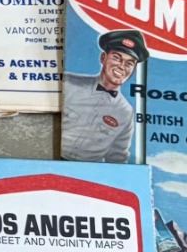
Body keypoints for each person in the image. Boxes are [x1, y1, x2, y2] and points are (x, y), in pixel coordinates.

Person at [60, 29, 146, 163]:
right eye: (116, 58)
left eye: (129, 63)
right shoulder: (68, 83)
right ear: (103, 58)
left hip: (88, 171)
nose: (122, 66)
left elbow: (118, 158)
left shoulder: (125, 112)